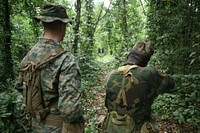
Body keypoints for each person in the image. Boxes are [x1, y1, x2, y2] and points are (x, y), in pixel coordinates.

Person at [18, 3, 84, 133]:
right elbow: (70, 111)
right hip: (58, 128)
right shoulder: (66, 60)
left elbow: (21, 89)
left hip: (35, 126)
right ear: (61, 25)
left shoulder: (28, 56)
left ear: (44, 24)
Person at [102, 41, 175, 133]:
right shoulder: (149, 73)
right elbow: (171, 84)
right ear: (145, 60)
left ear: (129, 56)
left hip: (112, 127)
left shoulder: (111, 74)